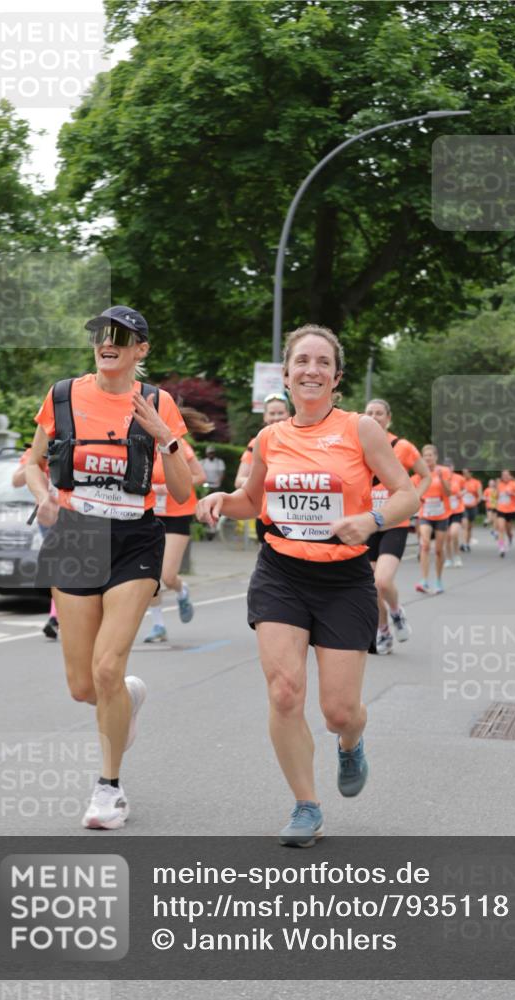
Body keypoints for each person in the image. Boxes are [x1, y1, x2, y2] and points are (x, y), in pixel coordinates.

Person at [196, 325, 419, 847]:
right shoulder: (269, 437)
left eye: (322, 362)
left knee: (339, 710)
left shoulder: (361, 429)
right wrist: (219, 501)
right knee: (284, 691)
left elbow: (407, 495)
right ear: (288, 373)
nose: (311, 370)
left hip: (344, 578)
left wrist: (371, 519)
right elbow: (251, 502)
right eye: (302, 361)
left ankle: (351, 741)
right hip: (282, 573)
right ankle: (306, 806)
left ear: (336, 377)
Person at [26, 305, 191, 830]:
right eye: (101, 334)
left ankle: (109, 789)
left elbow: (185, 493)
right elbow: (32, 462)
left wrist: (166, 436)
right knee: (83, 686)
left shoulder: (158, 402)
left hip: (133, 538)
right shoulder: (62, 396)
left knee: (106, 668)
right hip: (74, 533)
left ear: (140, 350)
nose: (108, 341)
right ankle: (128, 696)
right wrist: (43, 496)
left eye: (121, 336)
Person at [364, 398, 429, 655]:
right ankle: (384, 630)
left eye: (379, 413)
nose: (374, 416)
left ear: (388, 418)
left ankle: (396, 612)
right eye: (369, 412)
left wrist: (414, 498)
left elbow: (425, 475)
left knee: (382, 580)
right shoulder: (357, 444)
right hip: (368, 523)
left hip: (395, 522)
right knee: (371, 585)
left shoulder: (402, 447)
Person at [144, 407, 214, 643]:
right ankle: (158, 625)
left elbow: (200, 476)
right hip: (151, 514)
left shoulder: (179, 445)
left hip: (178, 514)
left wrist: (173, 484)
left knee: (167, 575)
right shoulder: (143, 444)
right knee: (150, 576)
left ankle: (181, 590)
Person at [12, 449, 59, 639]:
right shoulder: (35, 451)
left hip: (76, 512)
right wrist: (36, 464)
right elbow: (16, 481)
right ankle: (55, 617)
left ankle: (57, 617)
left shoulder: (76, 441)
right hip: (47, 516)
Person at [235, 393, 291, 544]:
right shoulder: (256, 443)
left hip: (296, 515)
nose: (276, 417)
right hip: (266, 515)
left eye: (280, 413)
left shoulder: (300, 438)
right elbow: (239, 480)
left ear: (288, 414)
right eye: (272, 413)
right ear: (265, 417)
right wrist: (267, 482)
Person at [411, 445, 451, 594]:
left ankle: (439, 580)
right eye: (425, 455)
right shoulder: (418, 475)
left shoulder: (444, 471)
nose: (428, 458)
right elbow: (414, 495)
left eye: (430, 455)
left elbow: (448, 493)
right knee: (425, 545)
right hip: (425, 515)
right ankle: (424, 580)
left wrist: (441, 478)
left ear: (436, 457)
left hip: (442, 515)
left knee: (439, 550)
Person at [494, 469, 515, 557]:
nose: (505, 477)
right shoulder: (499, 485)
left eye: (507, 475)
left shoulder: (514, 484)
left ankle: (510, 538)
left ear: (510, 476)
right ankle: (501, 548)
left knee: (508, 530)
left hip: (511, 510)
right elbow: (496, 496)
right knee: (501, 528)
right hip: (501, 509)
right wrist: (497, 494)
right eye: (503, 475)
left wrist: (512, 493)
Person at [444, 461, 465, 569]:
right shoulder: (441, 479)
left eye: (450, 467)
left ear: (453, 467)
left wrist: (461, 493)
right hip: (445, 511)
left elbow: (465, 488)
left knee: (454, 533)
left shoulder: (459, 478)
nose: (448, 469)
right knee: (447, 537)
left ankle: (457, 556)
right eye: (446, 467)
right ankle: (448, 558)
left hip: (457, 510)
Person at [460, 468, 482, 552]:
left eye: (466, 473)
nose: (464, 475)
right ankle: (464, 544)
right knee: (464, 525)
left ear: (470, 473)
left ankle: (467, 543)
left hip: (473, 507)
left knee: (469, 527)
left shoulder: (476, 482)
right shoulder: (461, 481)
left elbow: (480, 496)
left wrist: (476, 502)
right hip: (463, 507)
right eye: (463, 473)